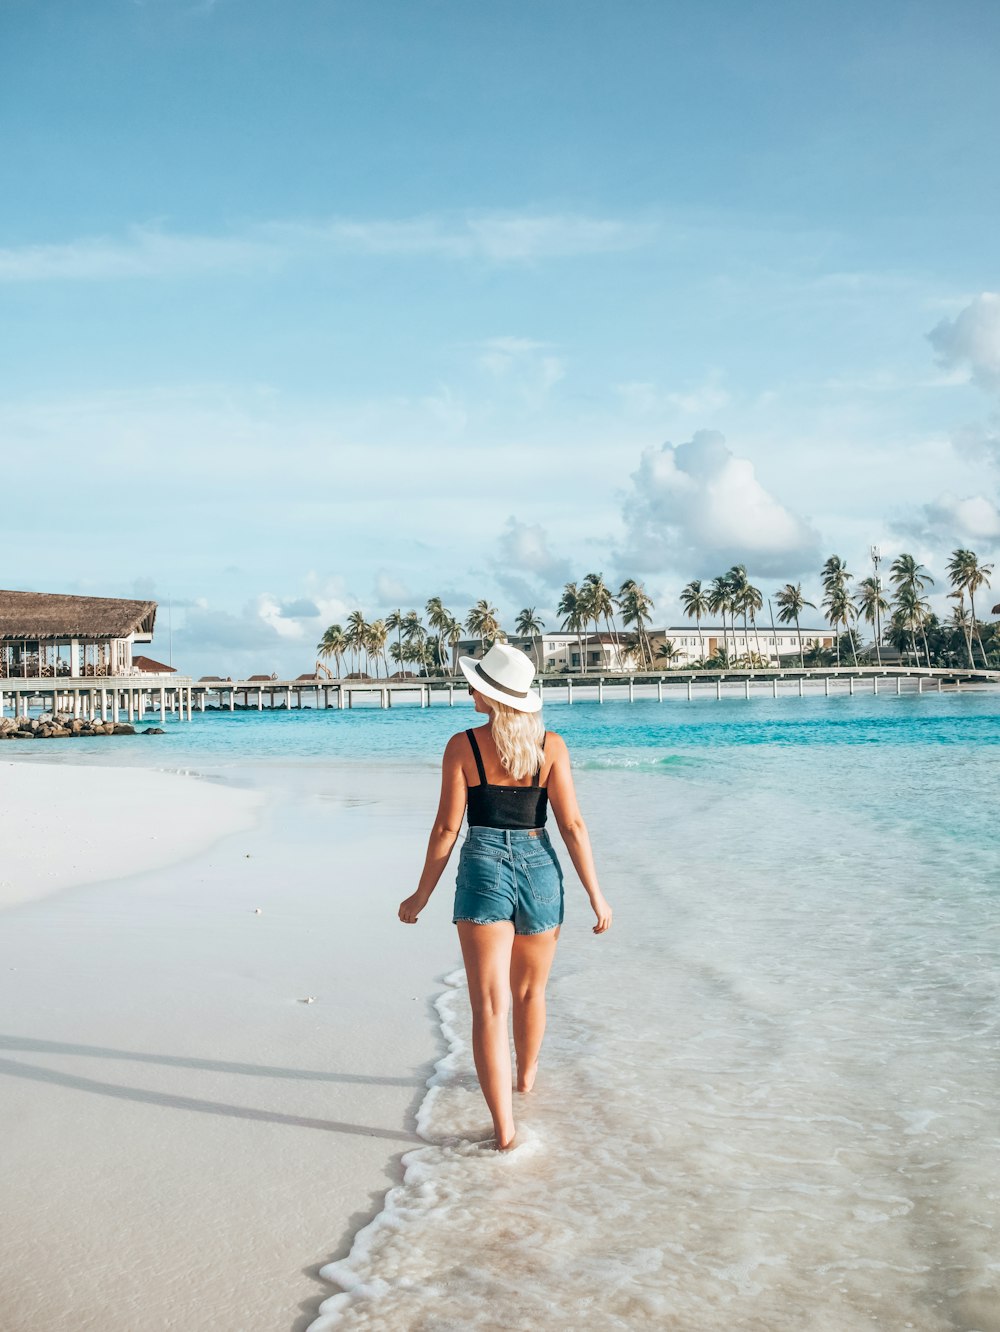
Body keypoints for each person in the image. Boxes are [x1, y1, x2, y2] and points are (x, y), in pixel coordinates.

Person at [398, 641, 612, 1151]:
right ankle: (525, 1081)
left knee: (489, 1007)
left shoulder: (462, 746)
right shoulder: (552, 746)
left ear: (491, 695)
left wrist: (421, 894)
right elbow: (573, 825)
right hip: (542, 870)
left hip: (483, 869)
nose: (470, 688)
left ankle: (506, 1132)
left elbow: (448, 829)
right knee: (530, 993)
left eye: (477, 684)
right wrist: (597, 897)